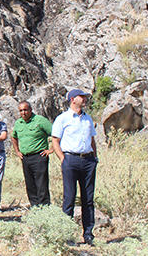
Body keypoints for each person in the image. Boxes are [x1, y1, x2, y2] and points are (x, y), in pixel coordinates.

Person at [52, 89, 98, 245]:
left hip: (88, 161)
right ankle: (67, 234)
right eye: (82, 97)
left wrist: (94, 157)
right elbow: (55, 141)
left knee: (88, 199)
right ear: (73, 99)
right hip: (71, 160)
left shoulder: (88, 119)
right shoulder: (63, 119)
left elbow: (92, 140)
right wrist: (63, 159)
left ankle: (88, 234)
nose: (85, 99)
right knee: (69, 198)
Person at [11, 101, 53, 207]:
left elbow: (56, 134)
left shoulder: (40, 120)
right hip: (25, 158)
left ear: (30, 109)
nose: (23, 112)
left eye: (25, 110)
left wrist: (52, 149)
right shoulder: (18, 123)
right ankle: (34, 208)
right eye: (21, 110)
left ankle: (44, 208)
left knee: (41, 184)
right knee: (30, 185)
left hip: (39, 156)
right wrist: (17, 151)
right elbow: (13, 137)